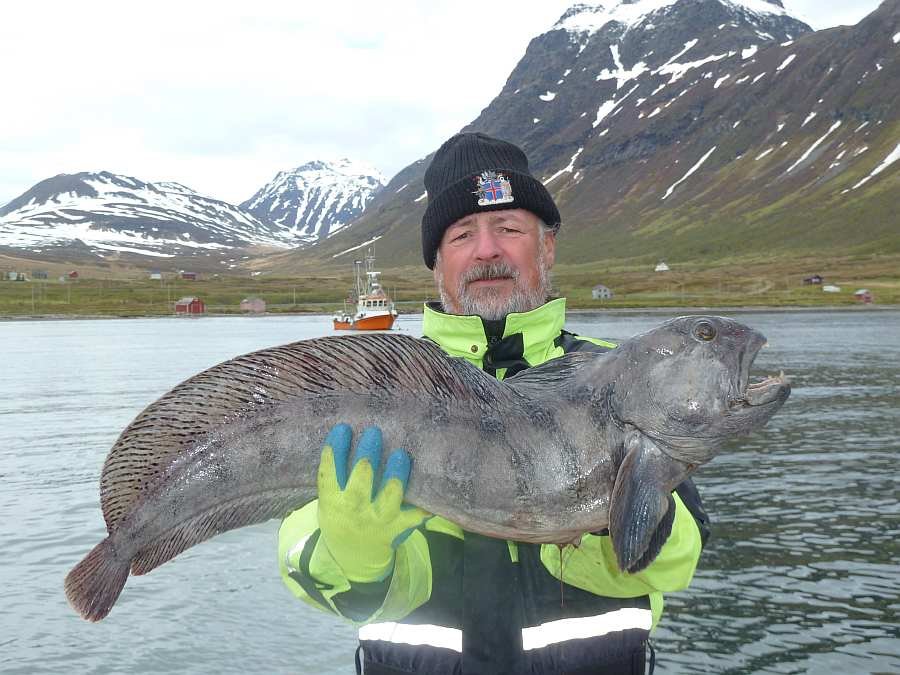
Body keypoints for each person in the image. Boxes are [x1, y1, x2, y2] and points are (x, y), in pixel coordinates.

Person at [278, 132, 709, 675]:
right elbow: (308, 562)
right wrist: (351, 556)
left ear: (546, 246)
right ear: (437, 261)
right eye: (462, 235)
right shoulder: (376, 389)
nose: (487, 251)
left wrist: (619, 516)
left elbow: (675, 563)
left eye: (508, 228)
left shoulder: (625, 380)